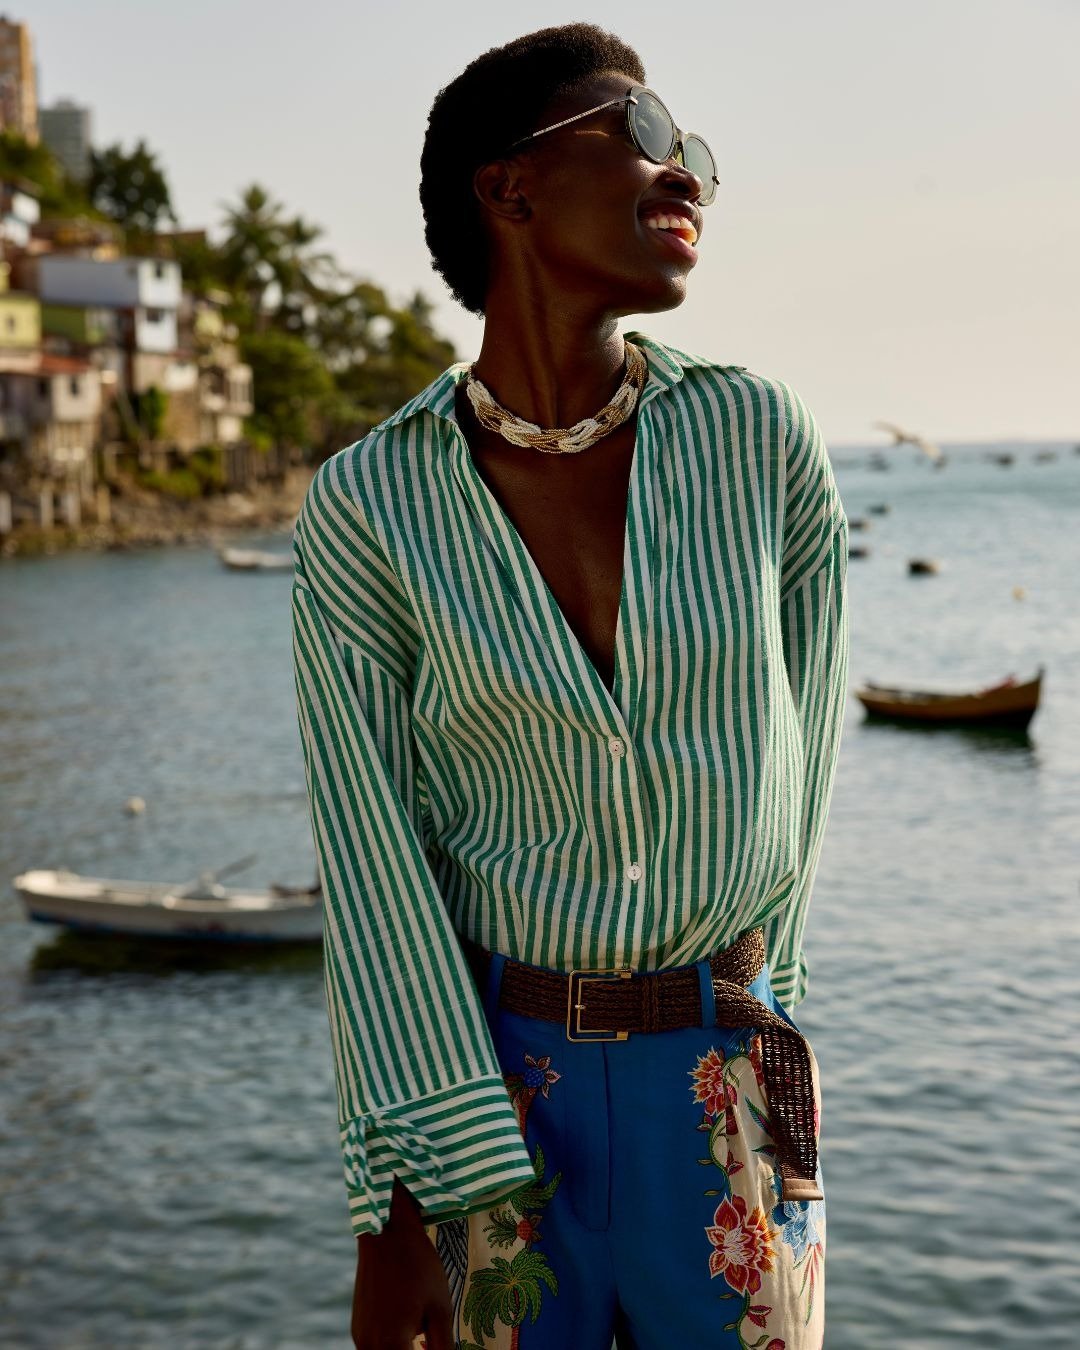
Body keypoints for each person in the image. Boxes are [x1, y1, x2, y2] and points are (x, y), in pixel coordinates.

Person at [292, 23, 847, 1350]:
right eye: (644, 134)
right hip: (495, 1091)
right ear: (511, 187)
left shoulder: (760, 443)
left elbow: (807, 744)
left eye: (698, 153)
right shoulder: (371, 504)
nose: (688, 175)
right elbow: (374, 863)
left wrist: (761, 1003)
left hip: (727, 1094)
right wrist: (402, 1206)